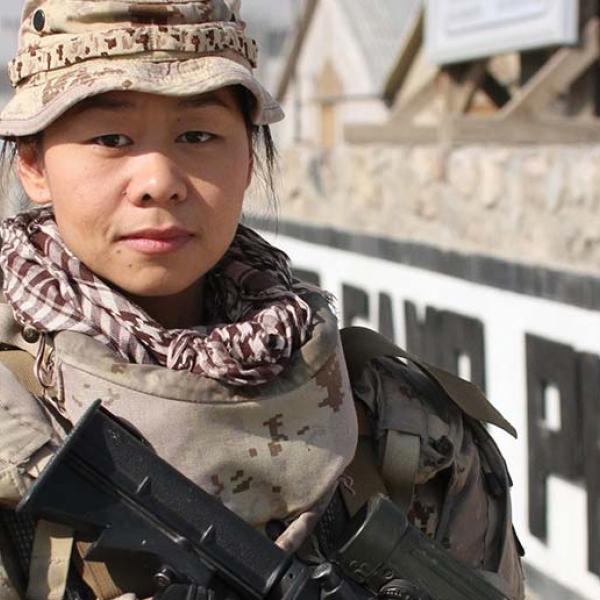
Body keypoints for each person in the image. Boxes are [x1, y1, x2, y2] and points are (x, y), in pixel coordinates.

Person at [0, 1, 525, 599]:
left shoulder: (401, 424)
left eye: (197, 135)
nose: (158, 180)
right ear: (33, 163)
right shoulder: (13, 425)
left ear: (248, 158)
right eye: (110, 138)